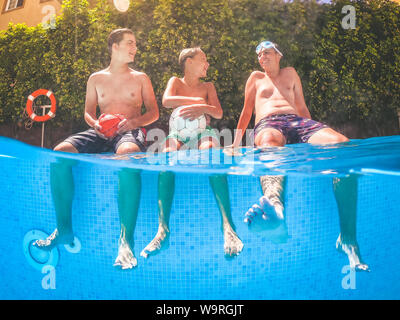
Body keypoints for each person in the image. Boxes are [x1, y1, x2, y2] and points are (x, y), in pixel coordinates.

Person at [228, 40, 368, 270]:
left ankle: (348, 238)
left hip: (299, 122)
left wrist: (314, 139)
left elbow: (302, 108)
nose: (262, 57)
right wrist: (235, 143)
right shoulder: (255, 78)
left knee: (342, 146)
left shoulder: (291, 73)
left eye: (267, 53)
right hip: (269, 124)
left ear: (279, 55)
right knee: (269, 145)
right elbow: (246, 112)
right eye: (259, 55)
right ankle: (276, 211)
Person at [34, 28, 159, 270]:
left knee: (126, 155)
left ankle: (126, 240)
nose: (135, 48)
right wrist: (96, 125)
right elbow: (89, 113)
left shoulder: (141, 77)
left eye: (135, 43)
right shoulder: (95, 78)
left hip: (130, 131)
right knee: (59, 153)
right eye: (130, 43)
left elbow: (153, 113)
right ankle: (64, 229)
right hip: (100, 132)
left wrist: (133, 123)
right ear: (115, 46)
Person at [140, 47, 243, 258]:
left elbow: (218, 111)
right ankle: (162, 229)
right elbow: (167, 101)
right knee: (166, 160)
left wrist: (204, 108)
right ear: (188, 61)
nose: (207, 64)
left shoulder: (208, 86)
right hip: (178, 133)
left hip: (203, 132)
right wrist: (198, 104)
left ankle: (228, 225)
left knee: (212, 155)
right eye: (203, 59)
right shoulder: (175, 82)